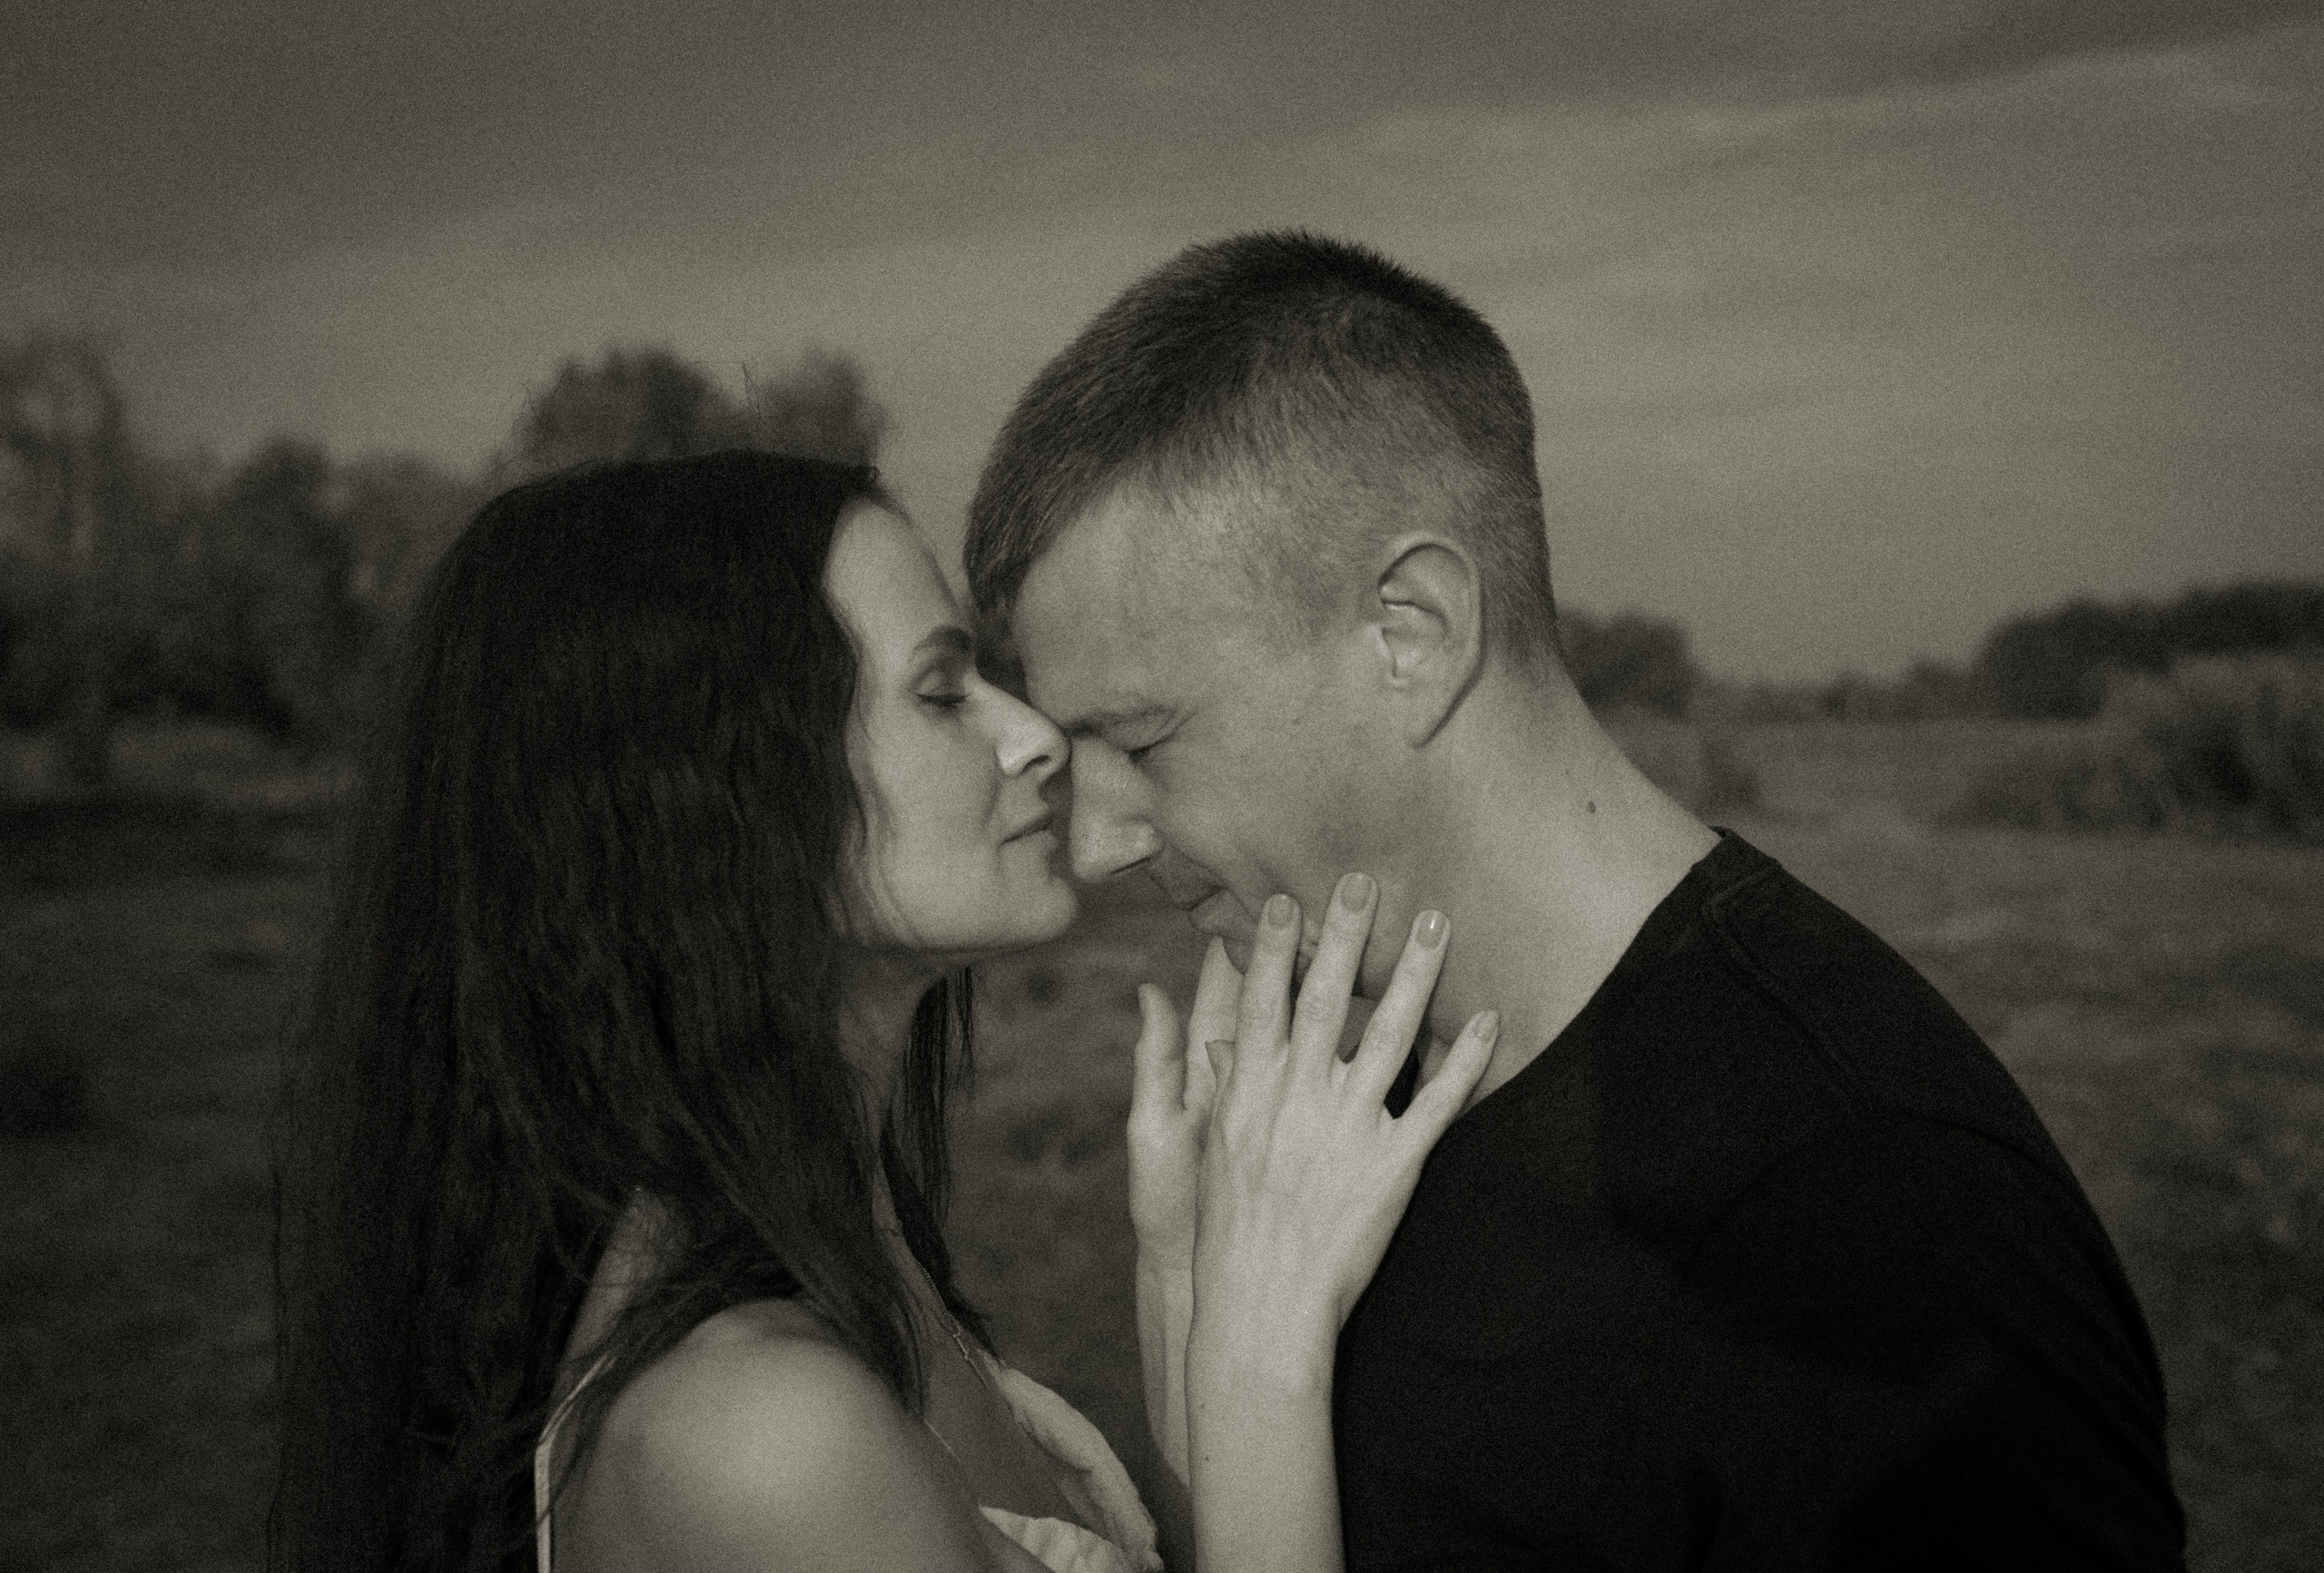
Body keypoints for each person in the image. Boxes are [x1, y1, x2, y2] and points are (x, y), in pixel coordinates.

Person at [967, 231, 2189, 1569]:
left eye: (1140, 743)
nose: (1092, 843)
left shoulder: (1867, 1211)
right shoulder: (1321, 1100)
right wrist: (1191, 1310)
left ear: (1411, 634)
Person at [270, 448, 1495, 1573]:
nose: (1034, 738)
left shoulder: (840, 1254)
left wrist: (1184, 1271)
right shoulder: (760, 1434)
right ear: (724, 792)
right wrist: (1264, 1356)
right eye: (944, 688)